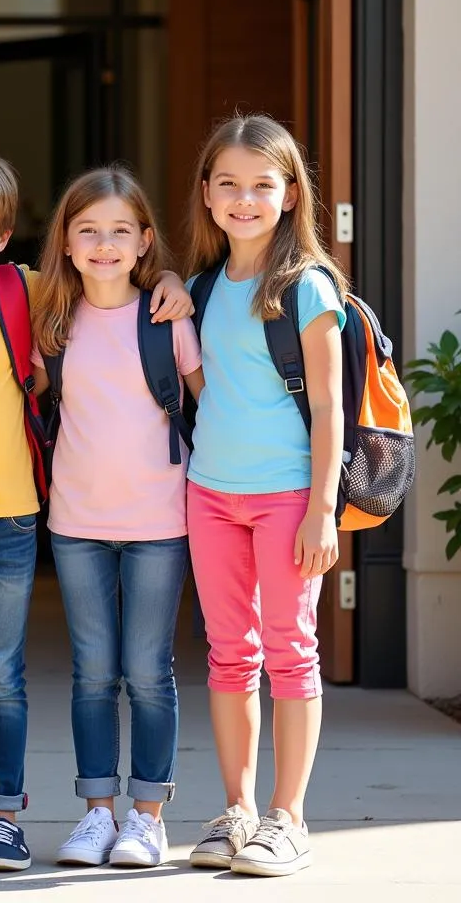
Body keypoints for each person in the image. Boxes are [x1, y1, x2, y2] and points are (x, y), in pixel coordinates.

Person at [0, 146, 193, 873]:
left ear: (6, 235)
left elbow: (116, 277)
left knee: (0, 679)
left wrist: (171, 276)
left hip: (13, 518)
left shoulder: (27, 293)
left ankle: (2, 820)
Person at [183, 114, 346, 877]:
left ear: (289, 195)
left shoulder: (307, 286)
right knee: (228, 653)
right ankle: (237, 811)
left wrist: (321, 509)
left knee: (290, 650)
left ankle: (290, 819)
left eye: (261, 184)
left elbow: (328, 407)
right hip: (211, 493)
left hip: (287, 497)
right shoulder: (202, 286)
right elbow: (205, 388)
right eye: (229, 184)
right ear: (208, 196)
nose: (244, 198)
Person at [29, 166, 204, 870]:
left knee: (148, 670)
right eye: (88, 231)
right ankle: (97, 811)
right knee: (92, 671)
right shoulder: (53, 321)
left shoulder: (166, 318)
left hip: (160, 518)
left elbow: (210, 401)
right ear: (66, 243)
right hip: (76, 519)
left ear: (144, 242)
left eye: (119, 232)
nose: (104, 244)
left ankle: (147, 815)